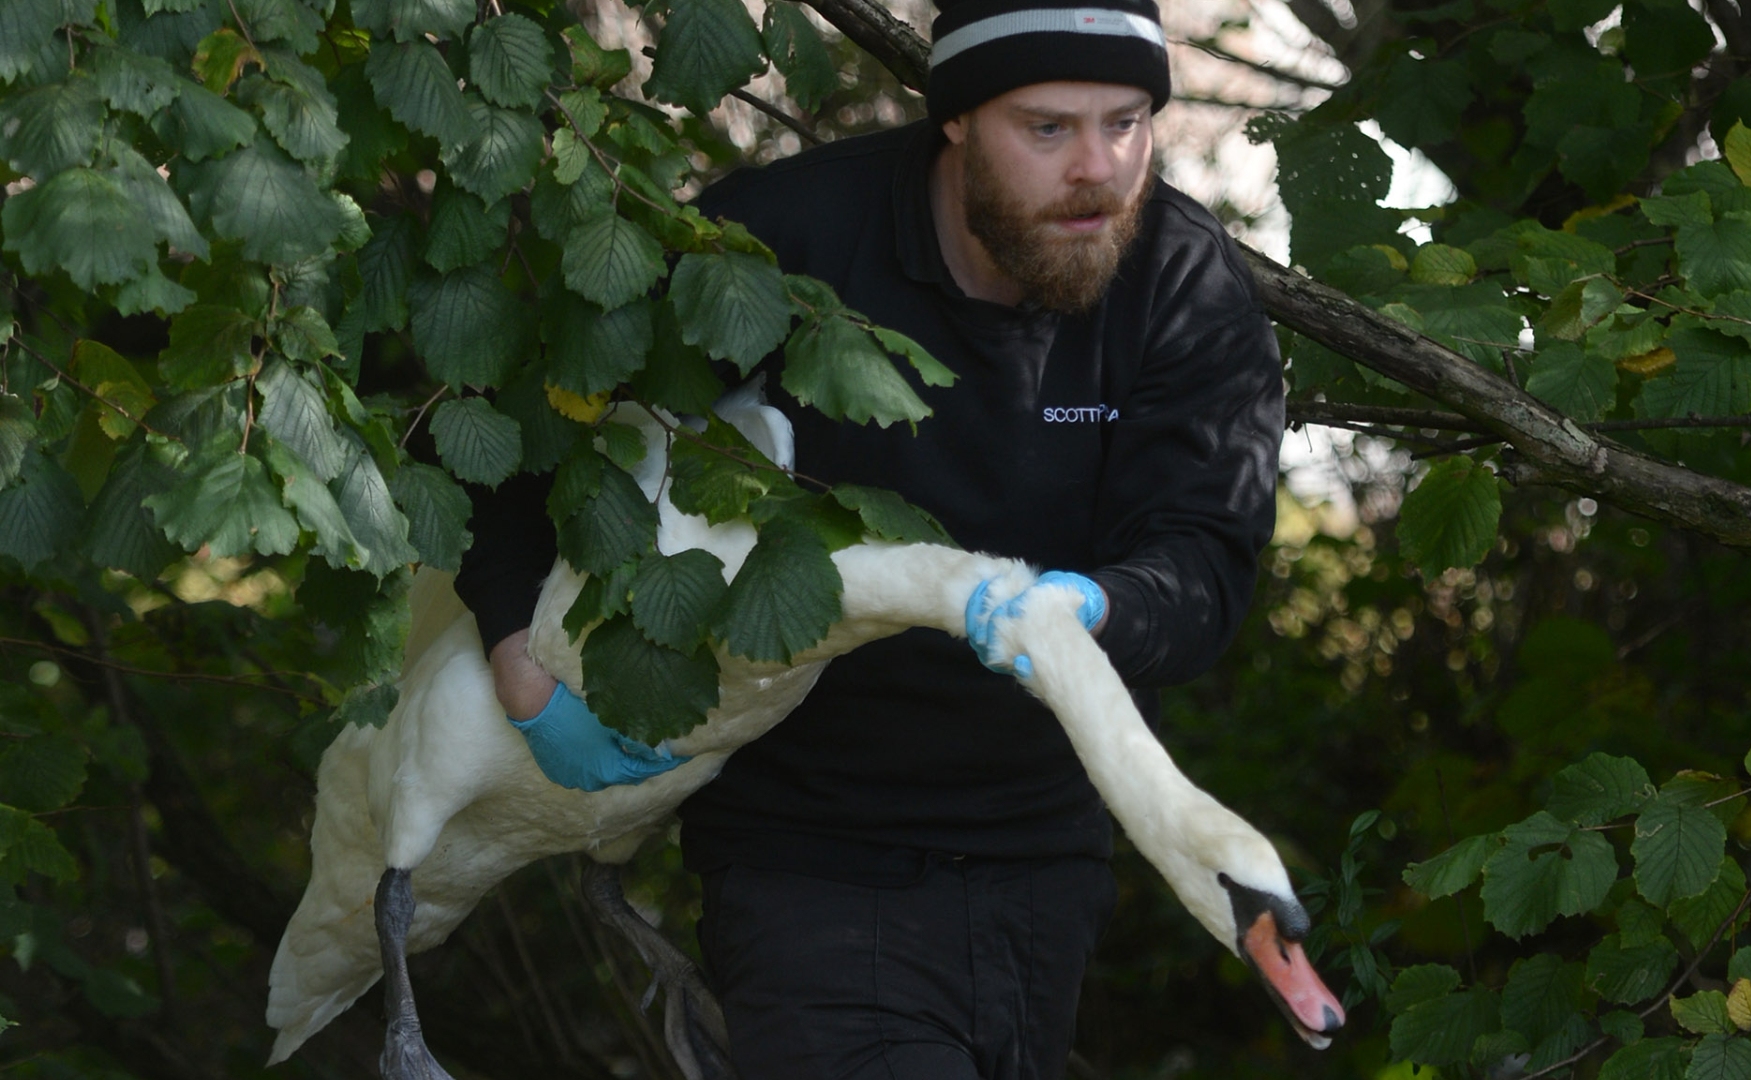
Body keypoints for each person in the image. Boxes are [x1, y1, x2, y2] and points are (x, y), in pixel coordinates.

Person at [453, 0, 1288, 1075]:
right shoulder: (784, 242)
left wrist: (1089, 611)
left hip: (1045, 851)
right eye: (1048, 128)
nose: (1099, 169)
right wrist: (519, 652)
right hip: (807, 850)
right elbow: (529, 431)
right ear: (956, 120)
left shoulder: (1181, 282)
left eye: (1127, 123)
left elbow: (1205, 561)